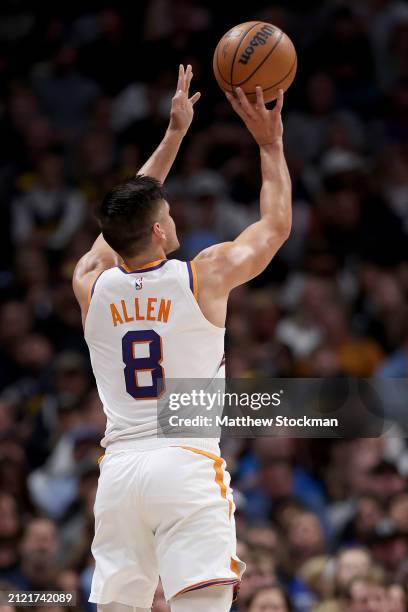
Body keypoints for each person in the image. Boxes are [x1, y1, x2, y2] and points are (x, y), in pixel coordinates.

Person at [72, 65, 292, 612]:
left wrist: (173, 136)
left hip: (120, 472)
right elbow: (276, 225)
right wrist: (270, 144)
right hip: (185, 460)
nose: (172, 218)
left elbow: (121, 220)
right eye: (166, 213)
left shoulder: (89, 283)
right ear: (158, 231)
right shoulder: (204, 274)